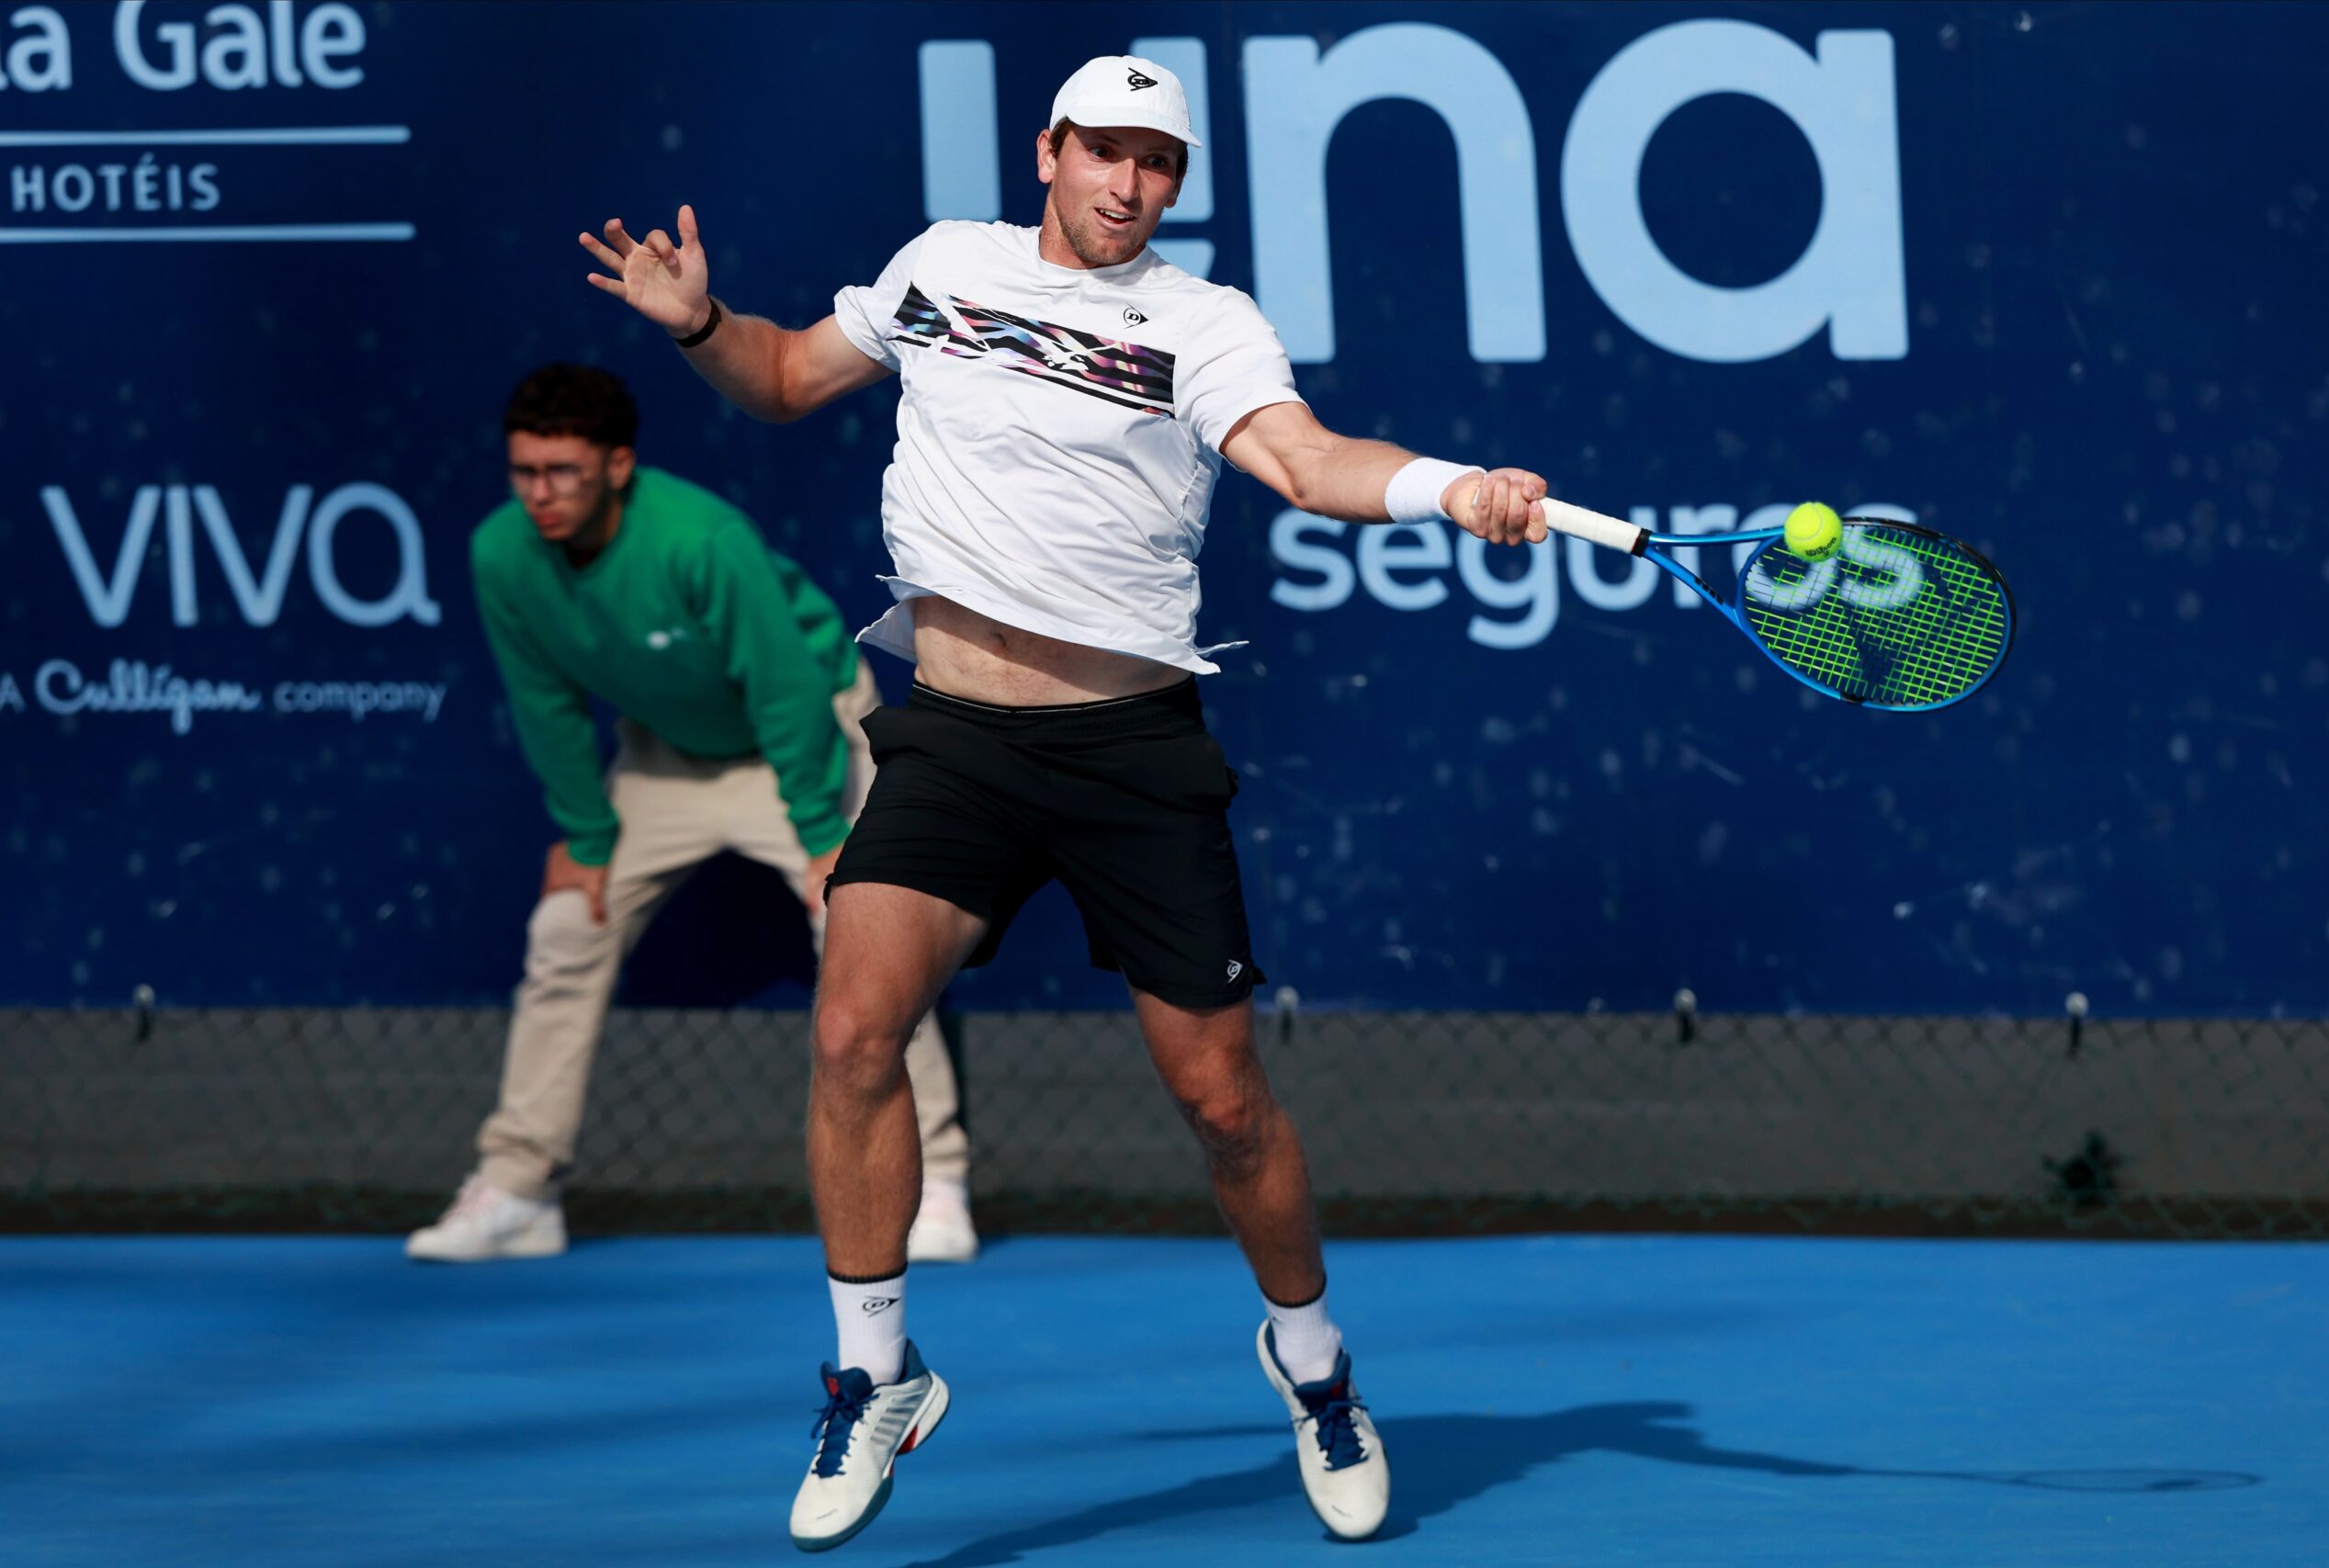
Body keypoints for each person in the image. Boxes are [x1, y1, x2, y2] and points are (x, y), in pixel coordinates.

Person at [582, 55, 1553, 1551]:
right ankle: (873, 1371)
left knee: (1224, 1105)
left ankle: (1315, 1366)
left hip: (1131, 755)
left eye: (1156, 163)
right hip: (955, 740)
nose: (1129, 182)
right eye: (1106, 150)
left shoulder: (1203, 322)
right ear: (1050, 149)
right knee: (852, 1027)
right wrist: (701, 323)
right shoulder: (942, 266)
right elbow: (782, 378)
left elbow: (1302, 462)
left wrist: (1445, 484)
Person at [406, 365, 978, 1268]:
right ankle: (519, 1191)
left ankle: (933, 1182)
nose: (540, 495)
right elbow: (543, 700)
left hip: (807, 740)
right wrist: (586, 838)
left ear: (618, 465)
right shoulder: (500, 555)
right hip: (666, 759)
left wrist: (824, 835)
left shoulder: (700, 539)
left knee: (865, 937)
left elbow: (785, 686)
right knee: (566, 927)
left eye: (564, 472)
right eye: (524, 473)